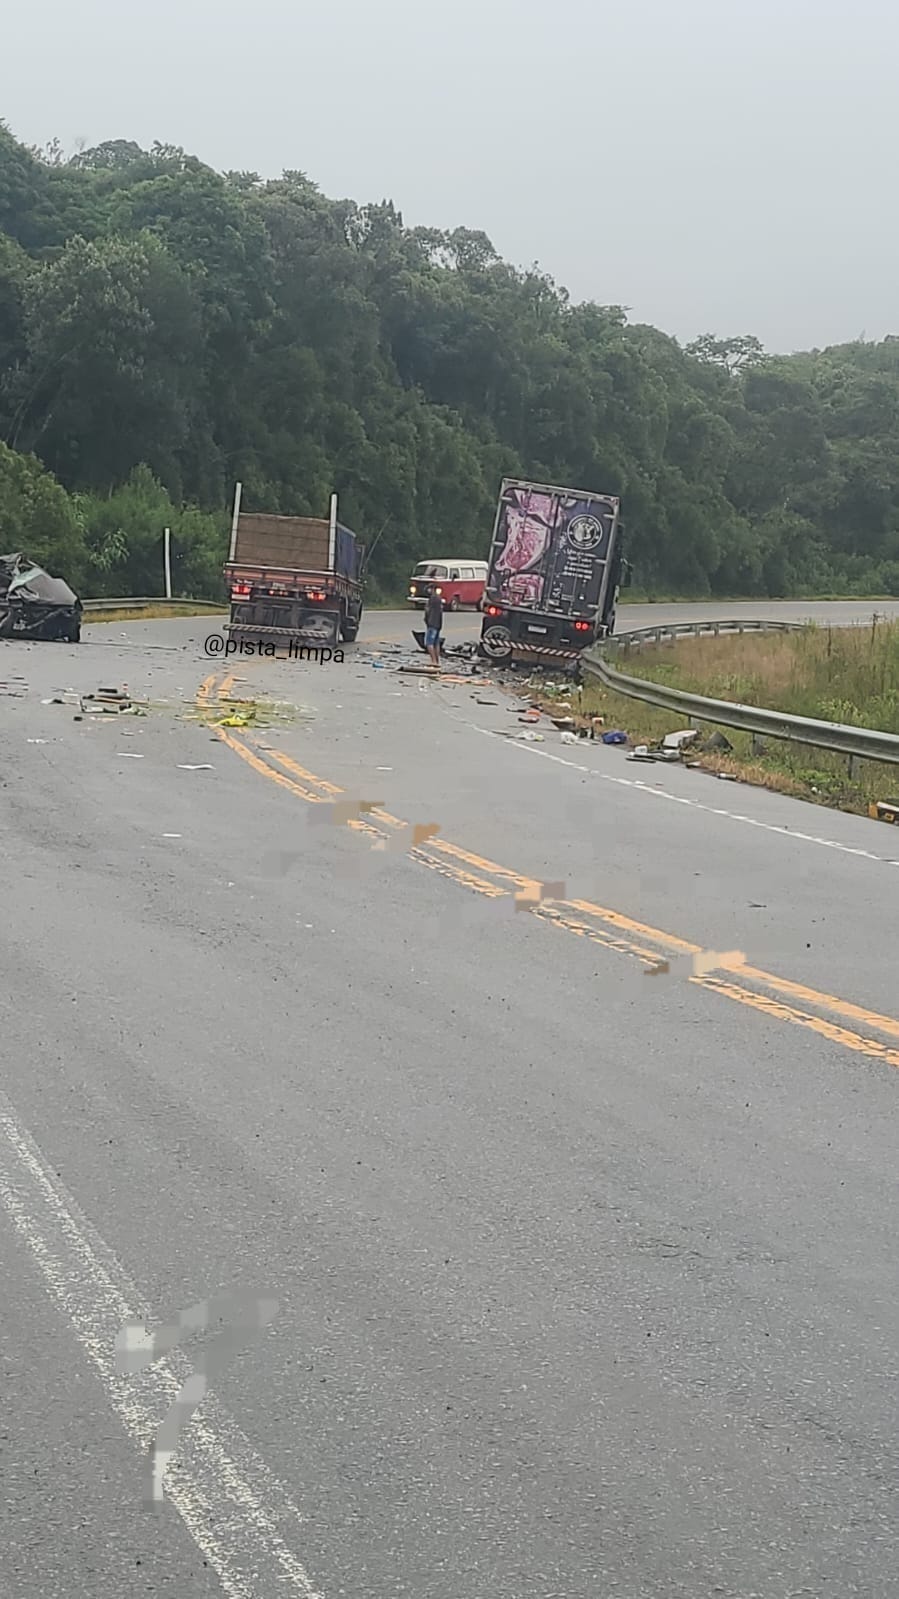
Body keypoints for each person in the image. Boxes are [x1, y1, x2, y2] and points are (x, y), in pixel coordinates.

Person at [424, 587, 444, 667]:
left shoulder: (432, 599)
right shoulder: (439, 599)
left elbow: (428, 611)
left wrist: (426, 619)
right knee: (436, 643)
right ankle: (437, 661)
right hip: (438, 624)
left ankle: (433, 661)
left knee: (429, 643)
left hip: (432, 624)